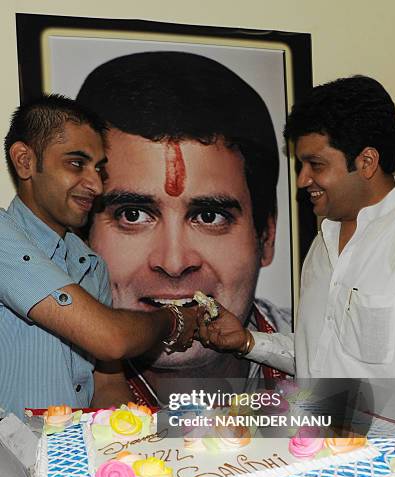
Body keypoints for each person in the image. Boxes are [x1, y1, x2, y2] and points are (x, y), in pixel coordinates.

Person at [76, 51, 291, 407]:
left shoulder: (330, 363)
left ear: (265, 235)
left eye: (209, 217)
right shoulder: (40, 385)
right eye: (133, 214)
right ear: (82, 240)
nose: (174, 263)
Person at [1, 95, 198, 419]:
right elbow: (111, 338)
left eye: (98, 169)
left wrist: (128, 444)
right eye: (76, 164)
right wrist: (173, 320)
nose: (94, 184)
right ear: (24, 161)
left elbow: (107, 384)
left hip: (74, 464)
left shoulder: (89, 263)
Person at [199, 75, 395, 379]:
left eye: (316, 165)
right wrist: (247, 340)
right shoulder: (325, 239)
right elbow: (319, 356)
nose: (302, 180)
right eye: (300, 165)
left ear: (366, 162)